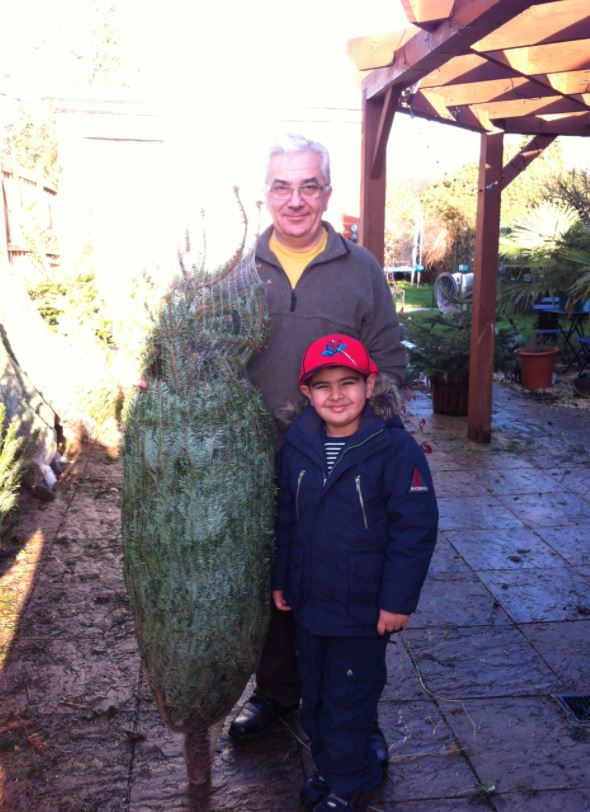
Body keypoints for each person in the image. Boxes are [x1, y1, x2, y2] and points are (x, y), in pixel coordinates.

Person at [229, 133, 408, 744]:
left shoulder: (362, 270)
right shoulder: (236, 272)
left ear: (328, 193)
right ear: (267, 194)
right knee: (273, 574)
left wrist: (365, 443)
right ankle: (276, 692)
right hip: (253, 461)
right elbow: (198, 355)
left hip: (338, 462)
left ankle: (351, 709)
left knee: (341, 576)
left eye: (309, 186)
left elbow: (388, 359)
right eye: (282, 186)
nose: (296, 199)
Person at [272, 334, 438, 811]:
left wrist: (397, 601)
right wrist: (282, 578)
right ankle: (331, 765)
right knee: (316, 696)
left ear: (370, 384)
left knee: (350, 695)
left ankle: (348, 781)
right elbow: (286, 518)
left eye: (348, 382)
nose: (336, 395)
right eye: (322, 386)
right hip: (310, 603)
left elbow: (414, 530)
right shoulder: (297, 446)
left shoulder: (395, 450)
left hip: (363, 609)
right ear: (306, 392)